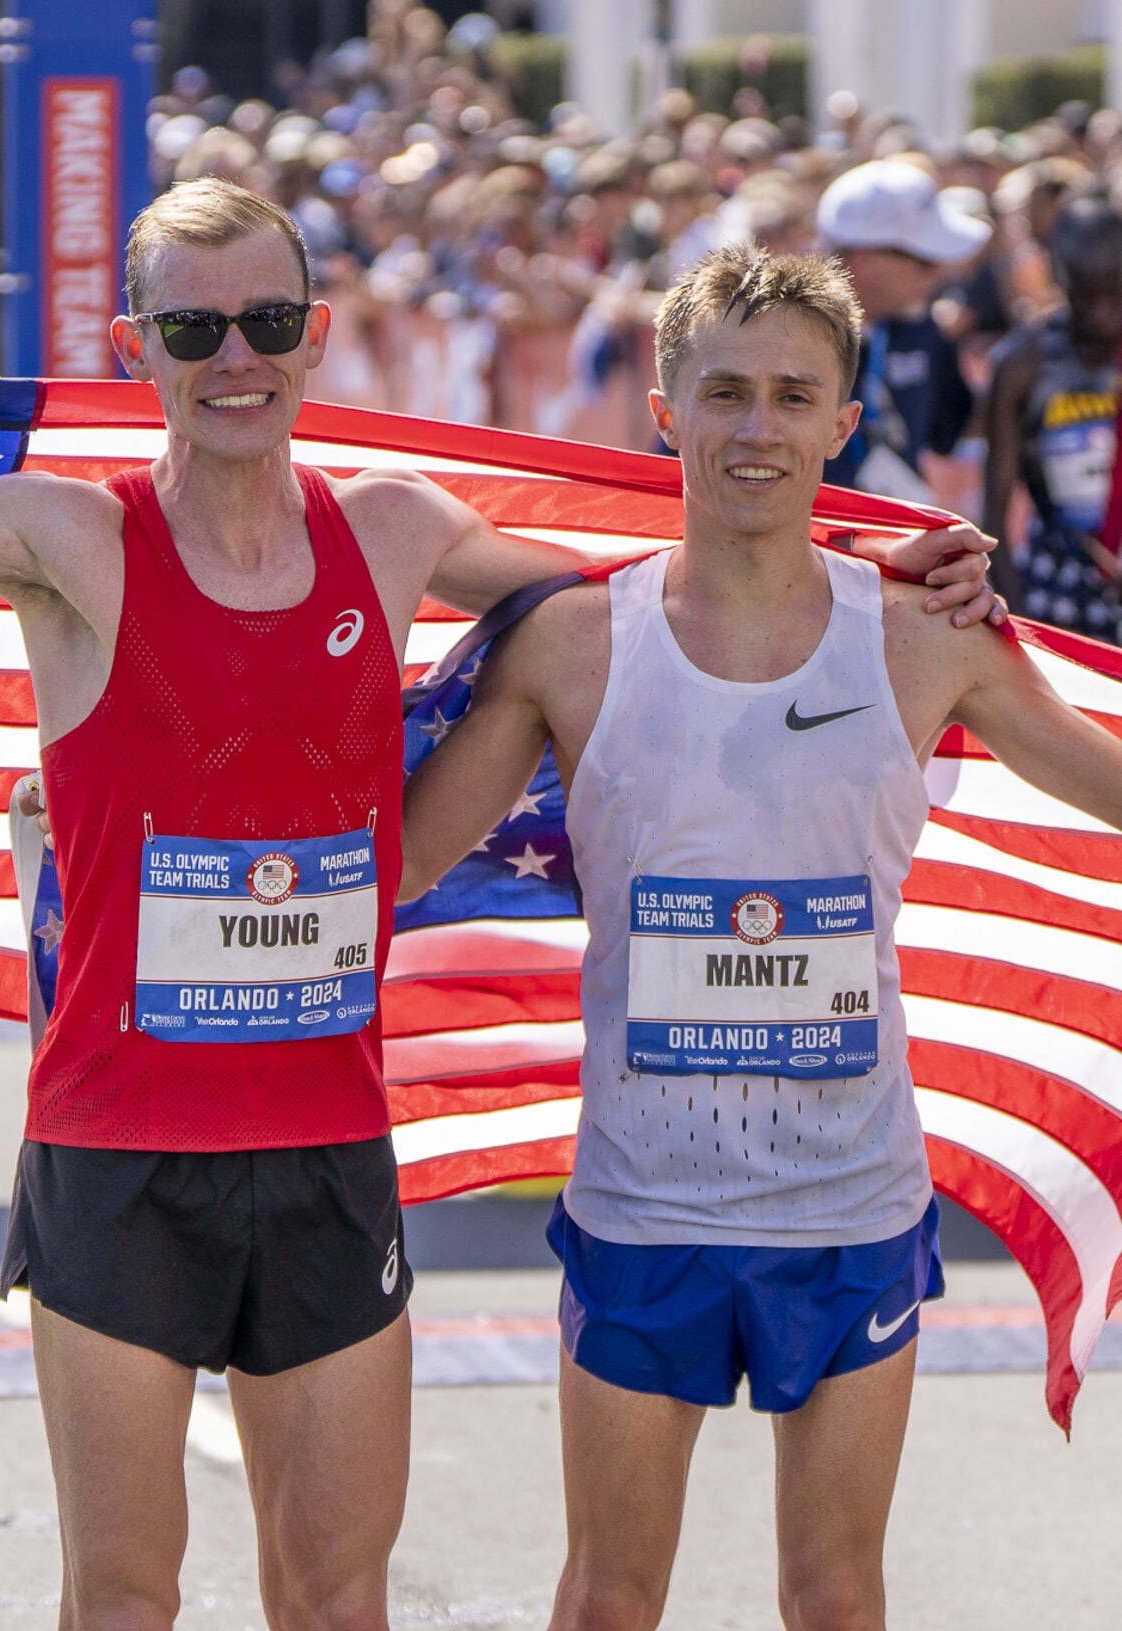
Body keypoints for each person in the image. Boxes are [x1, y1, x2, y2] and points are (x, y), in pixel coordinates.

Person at [0, 177, 994, 1629]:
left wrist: (866, 569)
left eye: (266, 321)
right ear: (135, 347)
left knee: (337, 1597)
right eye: (192, 327)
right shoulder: (71, 536)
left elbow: (657, 604)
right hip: (117, 1152)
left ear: (315, 337)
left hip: (326, 1147)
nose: (234, 355)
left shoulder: (393, 528)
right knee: (123, 1595)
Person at [398, 245, 1122, 1631]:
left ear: (841, 422)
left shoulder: (925, 635)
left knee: (835, 1597)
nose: (757, 428)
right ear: (664, 408)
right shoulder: (572, 641)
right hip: (644, 1205)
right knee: (610, 1598)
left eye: (794, 396)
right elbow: (400, 861)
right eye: (725, 392)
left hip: (851, 1208)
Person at [983, 191, 1122, 636]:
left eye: (1115, 294)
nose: (1103, 314)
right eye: (1087, 297)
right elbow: (995, 508)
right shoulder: (1024, 364)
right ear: (1061, 279)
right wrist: (1018, 624)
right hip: (1056, 587)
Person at [817, 158, 990, 504]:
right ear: (863, 259)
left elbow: (951, 429)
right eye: (924, 260)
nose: (938, 272)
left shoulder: (922, 329)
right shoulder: (785, 340)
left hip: (893, 532)